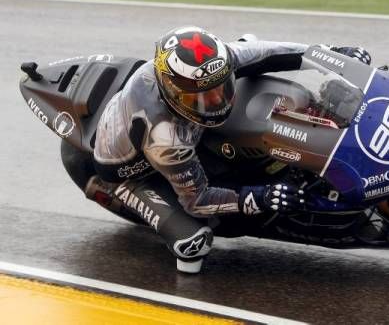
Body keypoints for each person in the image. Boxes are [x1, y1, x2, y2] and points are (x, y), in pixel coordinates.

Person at [79, 26, 372, 274]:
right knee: (194, 244)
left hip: (184, 130)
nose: (218, 99)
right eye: (204, 96)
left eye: (221, 87)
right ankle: (101, 189)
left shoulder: (215, 63)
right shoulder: (167, 138)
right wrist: (260, 197)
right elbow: (198, 200)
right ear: (173, 93)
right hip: (132, 172)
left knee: (251, 44)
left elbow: (272, 52)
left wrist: (333, 56)